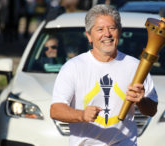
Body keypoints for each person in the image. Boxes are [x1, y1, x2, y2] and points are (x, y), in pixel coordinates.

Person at [50, 4, 158, 145]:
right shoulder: (73, 67)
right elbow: (55, 110)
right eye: (100, 29)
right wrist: (81, 115)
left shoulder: (136, 67)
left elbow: (152, 110)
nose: (107, 34)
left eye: (112, 28)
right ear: (89, 36)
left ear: (119, 32)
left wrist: (142, 101)